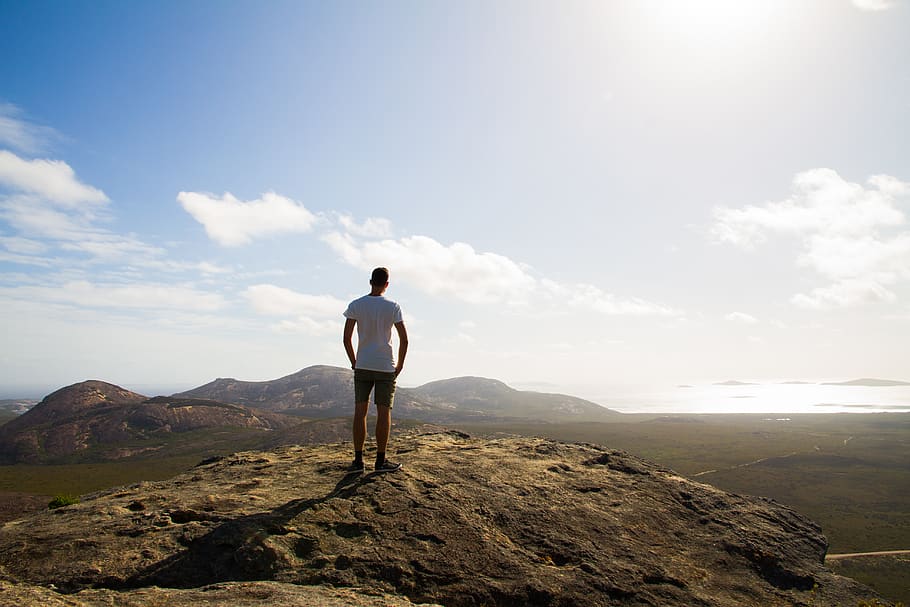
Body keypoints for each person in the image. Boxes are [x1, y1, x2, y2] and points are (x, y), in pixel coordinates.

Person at [343, 267, 409, 473]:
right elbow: (404, 339)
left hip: (363, 364)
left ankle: (358, 461)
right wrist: (399, 365)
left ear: (370, 281)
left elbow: (346, 338)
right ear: (387, 284)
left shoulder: (356, 305)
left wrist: (354, 361)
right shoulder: (393, 306)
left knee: (360, 412)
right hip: (384, 366)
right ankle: (380, 461)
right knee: (383, 413)